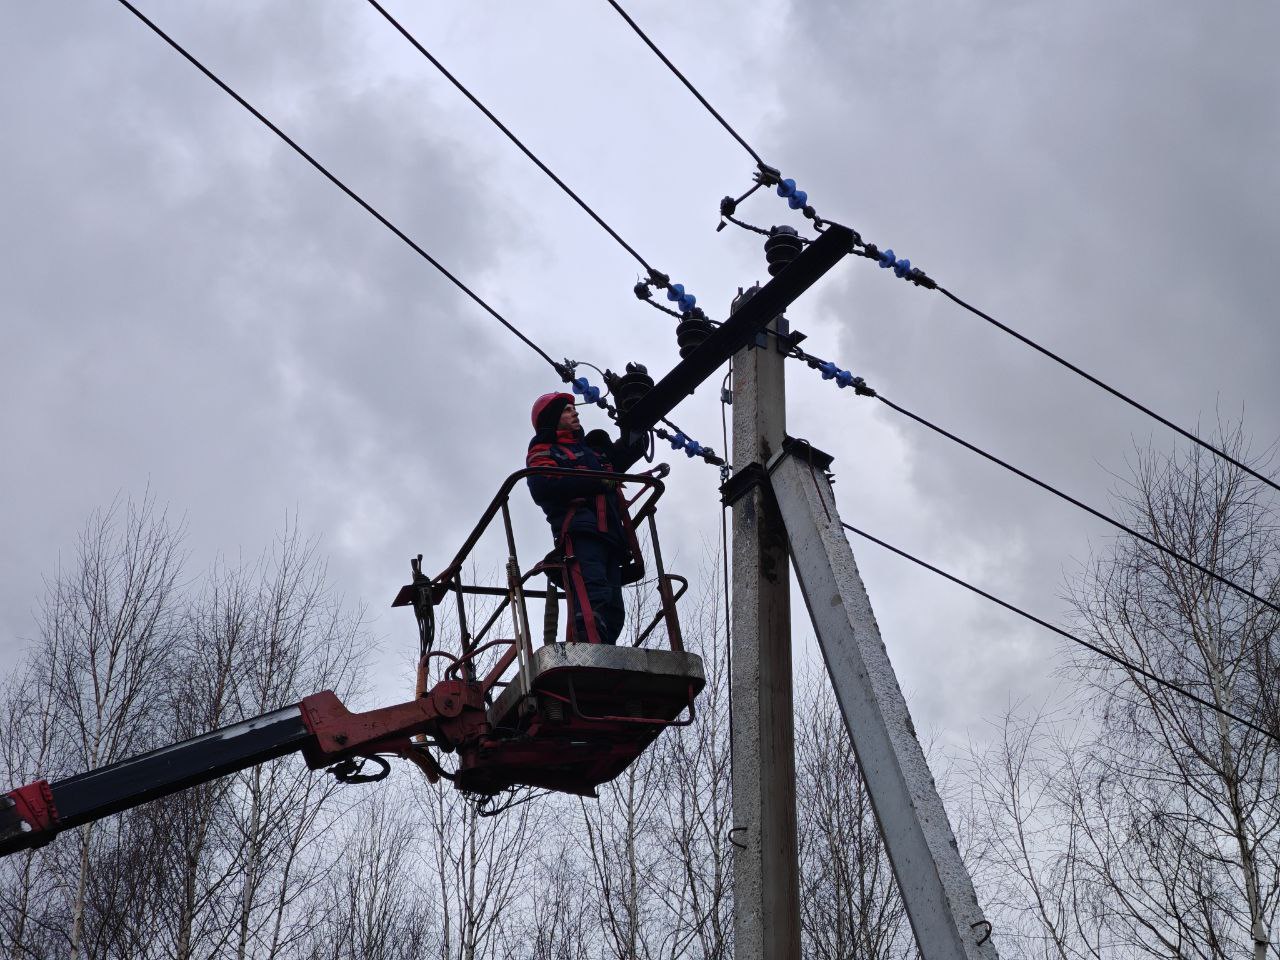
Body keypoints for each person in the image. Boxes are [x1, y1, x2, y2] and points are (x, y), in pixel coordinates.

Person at [526, 392, 631, 645]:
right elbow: (543, 485)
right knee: (593, 595)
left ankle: (605, 652)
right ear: (552, 419)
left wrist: (629, 406)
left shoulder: (594, 454)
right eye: (567, 410)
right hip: (581, 531)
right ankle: (590, 649)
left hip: (611, 536)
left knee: (614, 609)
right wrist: (595, 483)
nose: (575, 413)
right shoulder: (544, 451)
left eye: (574, 409)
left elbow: (630, 448)